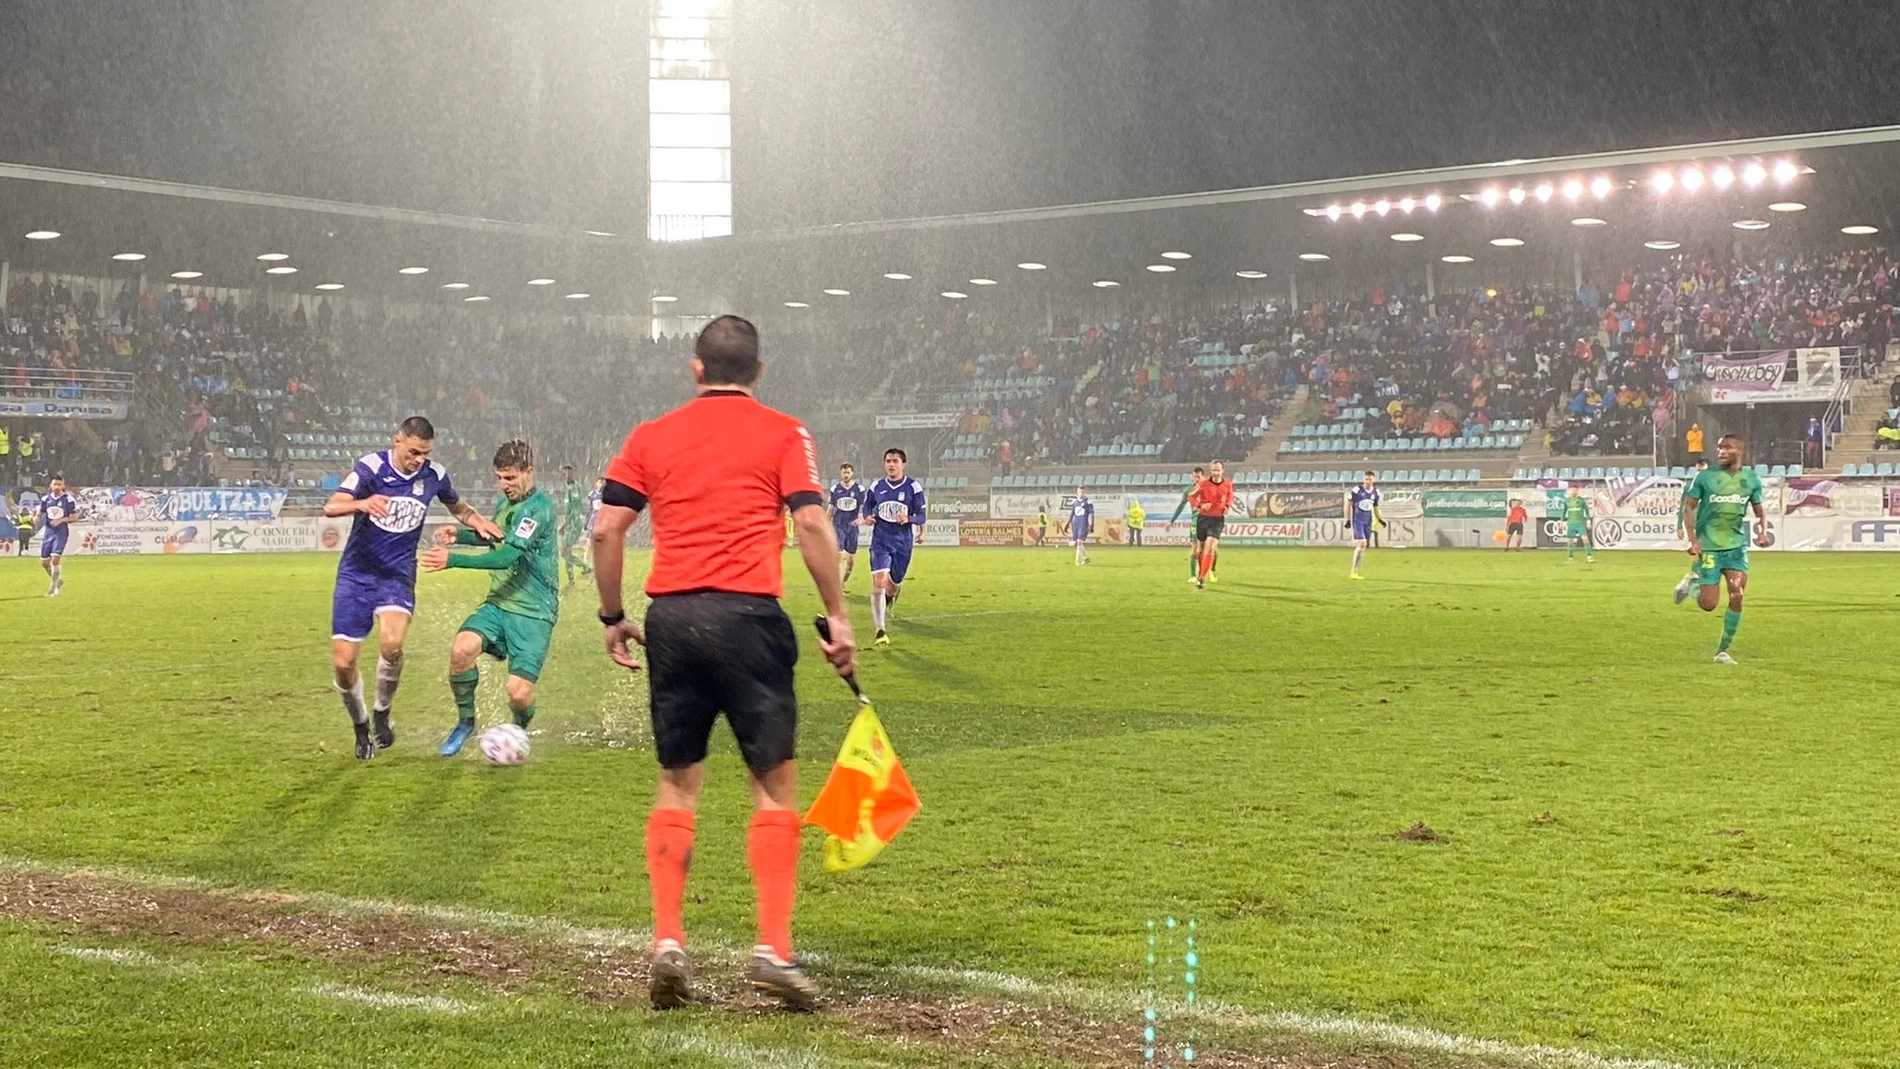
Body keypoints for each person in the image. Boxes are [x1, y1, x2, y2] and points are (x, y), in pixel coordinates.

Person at [589, 314, 854, 1011]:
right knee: (773, 785)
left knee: (678, 783)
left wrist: (614, 615)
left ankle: (670, 942)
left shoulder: (651, 435)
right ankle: (770, 947)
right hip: (748, 617)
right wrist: (838, 616)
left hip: (672, 619)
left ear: (696, 367)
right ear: (759, 372)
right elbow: (811, 522)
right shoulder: (784, 431)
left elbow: (606, 527)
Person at [323, 417, 498, 761]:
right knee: (344, 664)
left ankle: (382, 712)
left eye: (425, 453)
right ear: (397, 441)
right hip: (356, 575)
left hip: (397, 575)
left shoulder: (434, 475)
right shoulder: (371, 467)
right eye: (414, 452)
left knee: (392, 644)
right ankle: (361, 726)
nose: (418, 459)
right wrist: (362, 503)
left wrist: (479, 521)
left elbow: (458, 507)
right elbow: (332, 505)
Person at [423, 440, 561, 756]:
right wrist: (461, 535)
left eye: (510, 478)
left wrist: (453, 559)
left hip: (533, 612)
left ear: (529, 471)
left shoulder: (538, 510)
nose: (503, 485)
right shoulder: (504, 505)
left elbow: (506, 557)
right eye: (499, 477)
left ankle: (516, 730)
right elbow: (496, 540)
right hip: (500, 602)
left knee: (519, 693)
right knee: (461, 651)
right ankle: (466, 722)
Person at [1678, 434, 1770, 663]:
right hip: (1709, 547)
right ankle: (1692, 586)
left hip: (1736, 548)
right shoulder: (1704, 478)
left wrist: (1762, 531)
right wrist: (1693, 540)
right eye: (1719, 448)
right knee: (1709, 605)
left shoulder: (1750, 479)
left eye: (1727, 448)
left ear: (1740, 451)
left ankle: (1723, 651)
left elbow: (1760, 511)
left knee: (1737, 594)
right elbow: (1688, 508)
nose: (1721, 452)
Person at [866, 447, 926, 648]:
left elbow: (921, 516)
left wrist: (909, 519)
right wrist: (868, 515)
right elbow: (868, 506)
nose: (891, 465)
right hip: (881, 540)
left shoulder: (913, 487)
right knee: (879, 581)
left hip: (903, 543)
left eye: (895, 461)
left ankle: (891, 597)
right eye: (888, 461)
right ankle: (880, 629)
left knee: (893, 584)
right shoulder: (876, 486)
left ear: (903, 464)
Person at [1187, 460, 1233, 589]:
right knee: (1200, 550)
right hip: (1203, 518)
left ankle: (1201, 578)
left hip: (1217, 520)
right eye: (1213, 470)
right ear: (1211, 470)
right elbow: (1191, 497)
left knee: (1211, 546)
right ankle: (1202, 573)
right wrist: (1200, 505)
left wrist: (1227, 506)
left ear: (1223, 470)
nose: (1216, 473)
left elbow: (1229, 496)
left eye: (1218, 470)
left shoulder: (1228, 484)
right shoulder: (1203, 484)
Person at [1672, 459, 1711, 600]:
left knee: (1705, 552)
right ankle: (1693, 579)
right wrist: (1679, 526)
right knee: (1698, 550)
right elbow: (1683, 506)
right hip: (1694, 525)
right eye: (1699, 471)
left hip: (1708, 523)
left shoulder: (1712, 486)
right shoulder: (1689, 486)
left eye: (1703, 471)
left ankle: (1693, 578)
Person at [827, 462, 870, 588]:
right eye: (844, 472)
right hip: (838, 525)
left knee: (850, 562)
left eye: (848, 472)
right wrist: (825, 523)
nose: (846, 475)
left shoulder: (859, 489)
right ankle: (838, 586)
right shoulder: (835, 489)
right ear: (841, 473)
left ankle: (843, 581)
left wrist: (861, 518)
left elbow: (864, 507)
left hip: (852, 527)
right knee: (839, 556)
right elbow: (830, 508)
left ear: (852, 473)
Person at [37, 476, 76, 597]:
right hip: (48, 533)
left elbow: (74, 516)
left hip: (61, 533)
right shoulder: (45, 499)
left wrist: (62, 520)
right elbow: (40, 513)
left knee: (55, 560)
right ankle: (58, 581)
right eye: (55, 484)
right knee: (44, 563)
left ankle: (53, 588)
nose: (57, 487)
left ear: (63, 485)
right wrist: (35, 518)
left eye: (59, 484)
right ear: (51, 485)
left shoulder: (68, 499)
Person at [559, 463, 594, 593]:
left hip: (574, 523)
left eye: (569, 472)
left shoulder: (575, 488)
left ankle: (585, 570)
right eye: (565, 473)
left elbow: (575, 510)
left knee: (564, 551)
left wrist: (566, 524)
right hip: (569, 523)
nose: (567, 475)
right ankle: (573, 580)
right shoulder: (567, 487)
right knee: (566, 553)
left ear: (573, 473)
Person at [1171, 466, 1207, 581]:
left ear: (1203, 476)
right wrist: (1172, 520)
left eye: (1199, 477)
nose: (1196, 479)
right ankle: (1192, 575)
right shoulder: (1189, 490)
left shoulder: (1208, 487)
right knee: (1195, 549)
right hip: (1195, 522)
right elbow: (1181, 506)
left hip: (1207, 521)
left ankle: (1204, 573)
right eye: (1195, 477)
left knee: (1206, 550)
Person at [1346, 471, 1382, 579]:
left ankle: (1356, 571)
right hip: (1358, 520)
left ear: (1373, 480)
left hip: (1368, 521)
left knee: (1364, 546)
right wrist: (1348, 519)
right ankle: (1353, 572)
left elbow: (1375, 508)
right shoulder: (1357, 490)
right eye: (1366, 479)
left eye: (1370, 479)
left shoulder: (1376, 492)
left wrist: (1380, 519)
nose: (1367, 481)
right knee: (1361, 544)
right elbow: (1348, 503)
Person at [1563, 486, 1595, 563]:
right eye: (1572, 490)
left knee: (1585, 539)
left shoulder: (1581, 501)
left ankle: (1589, 556)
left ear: (1577, 492)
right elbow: (1563, 512)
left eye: (1575, 490)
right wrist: (1562, 521)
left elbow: (1587, 511)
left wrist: (1588, 521)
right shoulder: (1567, 501)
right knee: (1570, 541)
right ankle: (1570, 557)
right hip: (1570, 523)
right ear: (1570, 492)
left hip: (1580, 523)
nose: (1574, 492)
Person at [1069, 486, 1095, 565]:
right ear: (1077, 492)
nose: (1081, 494)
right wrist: (1068, 523)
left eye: (1082, 492)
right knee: (1078, 542)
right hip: (1075, 524)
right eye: (1079, 492)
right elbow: (1072, 513)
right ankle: (1086, 558)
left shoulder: (1088, 502)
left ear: (1085, 492)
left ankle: (1077, 561)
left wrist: (1091, 525)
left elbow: (1092, 514)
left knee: (1079, 542)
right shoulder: (1075, 502)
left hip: (1083, 524)